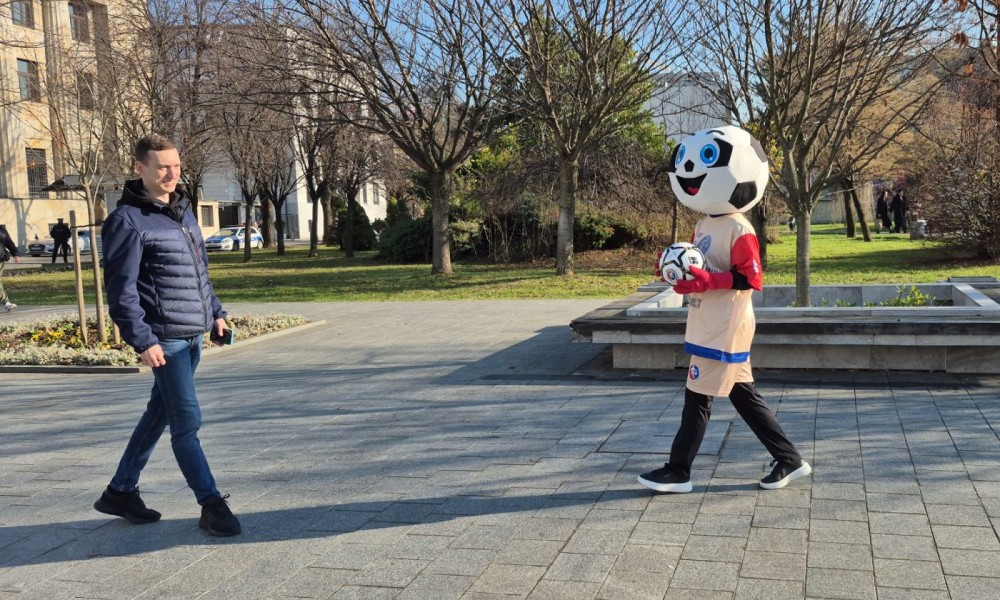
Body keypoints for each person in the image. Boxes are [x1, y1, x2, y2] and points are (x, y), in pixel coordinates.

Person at [638, 126, 812, 494]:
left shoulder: (739, 227)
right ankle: (789, 459)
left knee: (697, 396)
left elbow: (751, 278)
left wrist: (706, 282)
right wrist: (679, 274)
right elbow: (703, 267)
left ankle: (678, 470)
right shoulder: (704, 222)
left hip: (725, 324)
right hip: (707, 320)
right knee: (742, 394)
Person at [94, 134, 241, 536]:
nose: (172, 173)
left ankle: (120, 491)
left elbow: (198, 274)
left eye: (176, 165)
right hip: (165, 340)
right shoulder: (126, 221)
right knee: (186, 422)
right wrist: (142, 340)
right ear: (140, 168)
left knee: (161, 412)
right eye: (162, 166)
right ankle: (211, 503)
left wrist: (216, 314)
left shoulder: (182, 211)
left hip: (193, 335)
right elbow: (121, 292)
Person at [0, 224, 22, 312]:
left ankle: (6, 302)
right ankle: (6, 302)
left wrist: (15, 254)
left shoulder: (1, 229)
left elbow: (9, 242)